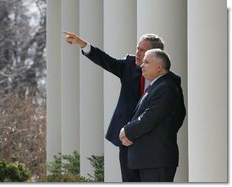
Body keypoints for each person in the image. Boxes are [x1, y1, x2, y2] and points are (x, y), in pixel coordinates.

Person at [63, 31, 178, 182]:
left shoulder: (168, 82)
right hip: (126, 140)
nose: (138, 53)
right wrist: (83, 45)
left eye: (143, 50)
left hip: (152, 144)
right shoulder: (129, 66)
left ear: (155, 55)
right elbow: (106, 60)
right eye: (138, 48)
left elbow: (177, 115)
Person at [119, 49, 186, 182]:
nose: (141, 65)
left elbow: (149, 118)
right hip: (148, 159)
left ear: (159, 67)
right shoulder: (156, 86)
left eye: (146, 62)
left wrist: (126, 131)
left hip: (156, 160)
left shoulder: (166, 87)